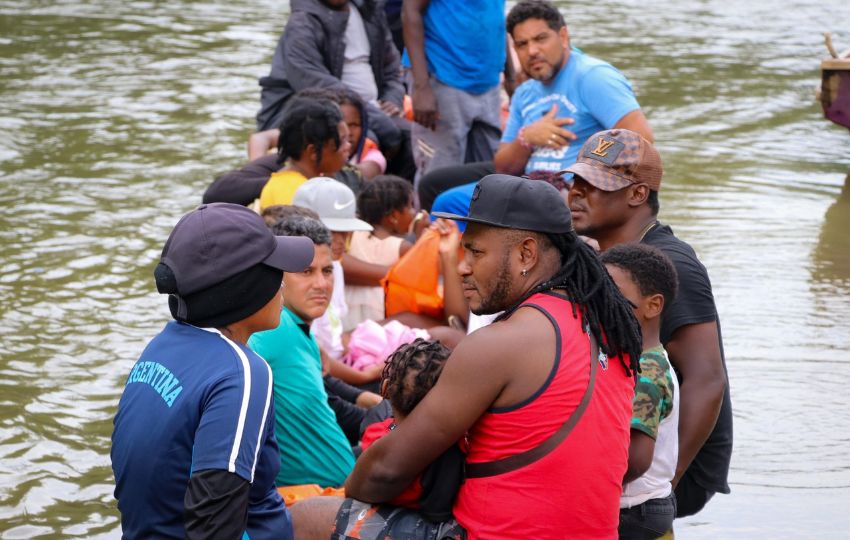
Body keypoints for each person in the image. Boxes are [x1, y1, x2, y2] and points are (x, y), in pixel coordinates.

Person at [333, 174, 643, 539]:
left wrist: (355, 481)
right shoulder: (608, 324)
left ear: (525, 254)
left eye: (476, 251)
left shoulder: (498, 344)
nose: (463, 266)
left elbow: (382, 474)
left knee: (312, 516)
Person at [111, 203, 314, 538]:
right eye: (275, 270)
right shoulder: (243, 372)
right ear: (245, 289)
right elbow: (213, 521)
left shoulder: (160, 347)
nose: (283, 282)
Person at [564, 128, 733, 517]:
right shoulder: (606, 256)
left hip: (671, 467)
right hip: (630, 445)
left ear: (638, 195)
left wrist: (665, 490)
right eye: (575, 180)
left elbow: (707, 381)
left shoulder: (669, 264)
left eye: (593, 185)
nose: (575, 192)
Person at [424, 0, 653, 220]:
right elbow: (503, 166)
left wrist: (585, 174)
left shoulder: (592, 76)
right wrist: (528, 137)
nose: (532, 51)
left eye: (540, 39)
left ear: (563, 37)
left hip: (570, 189)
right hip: (531, 183)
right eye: (522, 44)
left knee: (450, 203)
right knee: (444, 198)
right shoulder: (526, 92)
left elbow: (640, 139)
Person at [248, 215, 358, 488]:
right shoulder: (271, 327)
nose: (321, 284)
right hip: (308, 504)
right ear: (276, 275)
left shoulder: (297, 328)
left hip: (335, 491)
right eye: (306, 272)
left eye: (327, 270)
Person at [335, 338, 465, 533]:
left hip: (368, 508)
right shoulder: (448, 451)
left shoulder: (375, 428)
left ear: (386, 388)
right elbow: (437, 513)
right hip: (417, 521)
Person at [601, 244, 680, 539]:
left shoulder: (648, 372)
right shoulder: (633, 359)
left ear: (653, 305)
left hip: (635, 511)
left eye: (613, 296)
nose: (601, 304)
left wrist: (585, 487)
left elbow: (636, 460)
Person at [256, 0, 405, 156]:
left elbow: (392, 67)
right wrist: (378, 120)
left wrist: (393, 98)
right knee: (367, 141)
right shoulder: (302, 23)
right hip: (319, 114)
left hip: (373, 109)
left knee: (414, 139)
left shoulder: (370, 11)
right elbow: (317, 87)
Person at [402, 0, 508, 178]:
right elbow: (410, 10)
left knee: (489, 176)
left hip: (488, 80)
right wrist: (422, 86)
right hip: (441, 75)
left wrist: (510, 73)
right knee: (438, 173)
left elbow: (497, 16)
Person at [342, 175, 418, 330]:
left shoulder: (352, 235)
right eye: (410, 206)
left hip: (346, 314)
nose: (414, 212)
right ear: (394, 216)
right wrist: (421, 238)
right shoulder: (402, 247)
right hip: (379, 320)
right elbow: (416, 277)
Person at [259, 97, 352, 210]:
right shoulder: (295, 194)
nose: (348, 146)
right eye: (342, 142)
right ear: (313, 151)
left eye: (348, 139)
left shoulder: (305, 184)